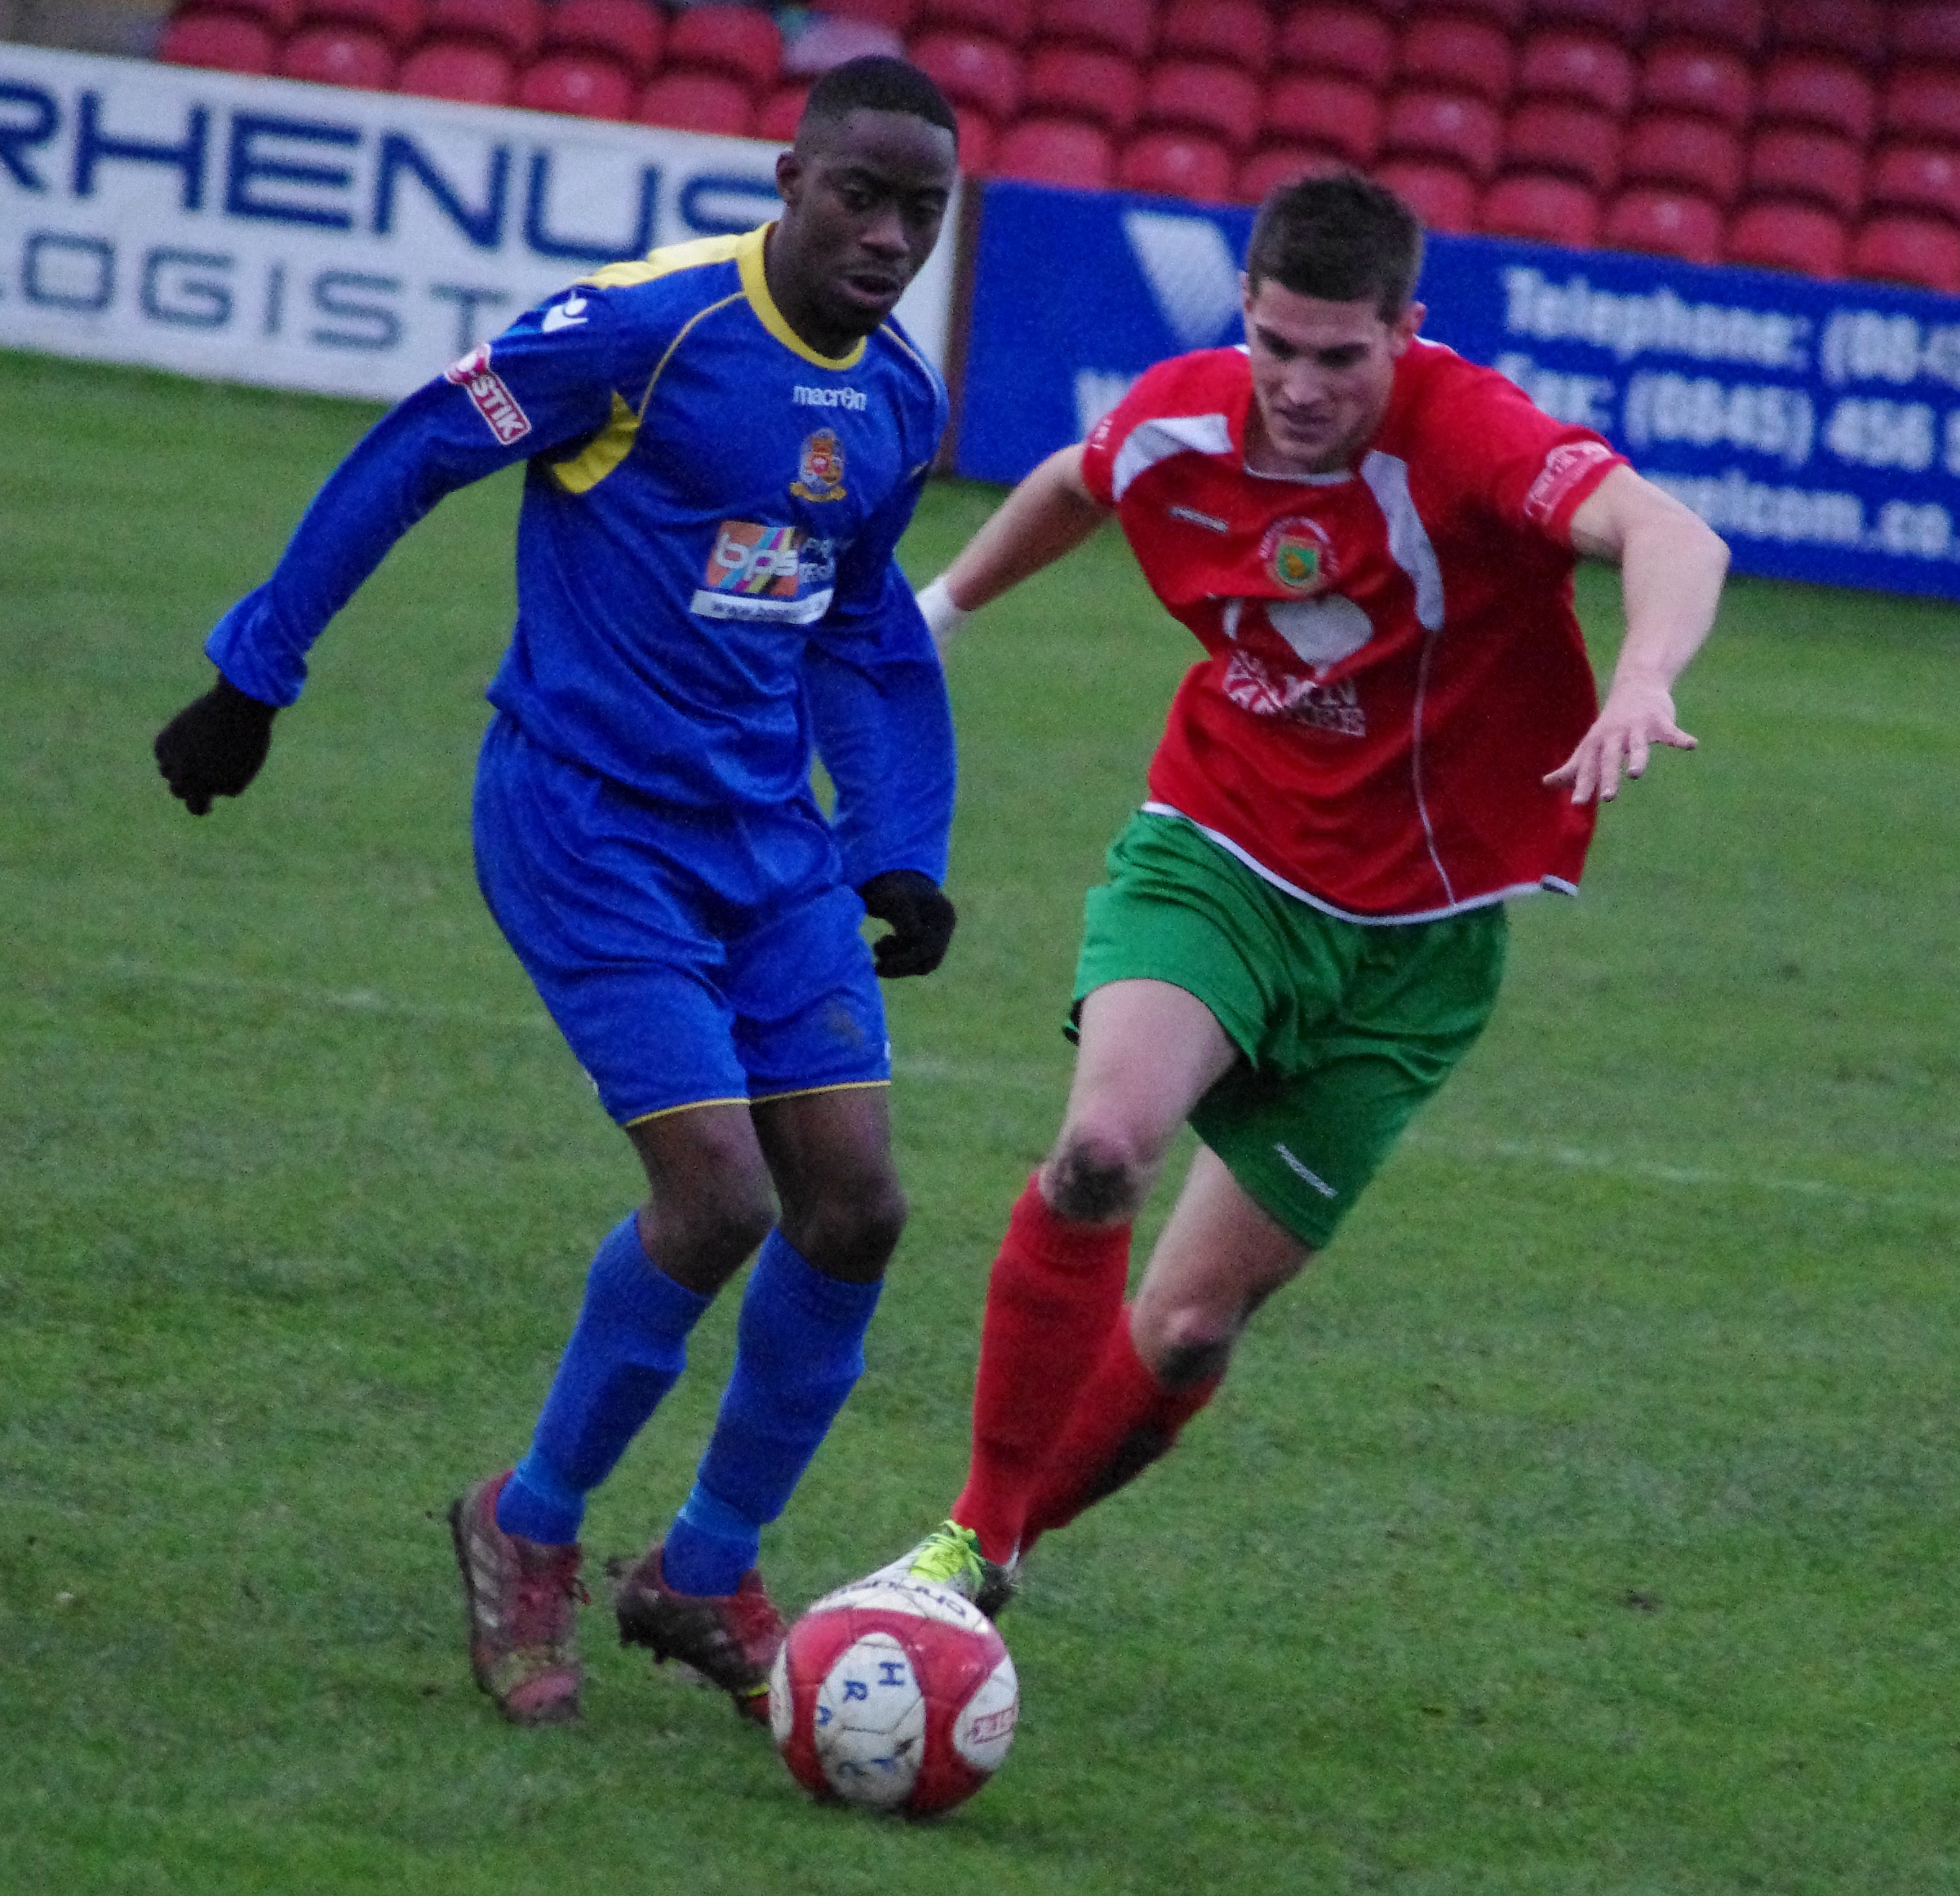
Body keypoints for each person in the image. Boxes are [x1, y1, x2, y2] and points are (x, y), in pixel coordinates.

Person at [153, 56, 964, 1726]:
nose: (888, 236)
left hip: (771, 845)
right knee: (721, 1196)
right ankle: (523, 1532)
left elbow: (862, 624)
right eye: (860, 196)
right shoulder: (644, 326)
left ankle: (703, 1566)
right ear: (790, 175)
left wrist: (897, 839)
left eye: (921, 211)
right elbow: (412, 455)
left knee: (857, 1209)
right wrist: (256, 673)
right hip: (586, 822)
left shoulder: (895, 399)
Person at [874, 171, 1729, 1615]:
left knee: (1192, 1325)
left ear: (1404, 331)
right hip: (1222, 853)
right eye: (1275, 344)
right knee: (1099, 1154)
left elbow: (1674, 535)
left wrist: (1641, 676)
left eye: (1340, 355)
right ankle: (965, 1542)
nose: (1299, 385)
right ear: (1247, 316)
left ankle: (987, 1564)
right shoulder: (1187, 410)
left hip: (1415, 948)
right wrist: (935, 615)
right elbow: (1080, 481)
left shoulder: (1466, 435)